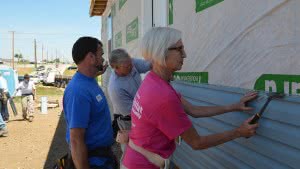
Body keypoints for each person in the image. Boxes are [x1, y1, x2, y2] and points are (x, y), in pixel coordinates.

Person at [122, 27, 259, 169]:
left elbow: (194, 110)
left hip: (137, 159)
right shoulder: (162, 96)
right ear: (161, 52)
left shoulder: (153, 81)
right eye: (179, 49)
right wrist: (239, 132)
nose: (184, 54)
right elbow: (197, 142)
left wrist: (234, 106)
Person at [63, 36, 116, 169]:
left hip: (102, 158)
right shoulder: (78, 91)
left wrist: (97, 72)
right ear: (91, 57)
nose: (103, 59)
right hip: (93, 162)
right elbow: (76, 140)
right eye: (101, 54)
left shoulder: (88, 80)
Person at [108, 49, 151, 155]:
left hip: (142, 111)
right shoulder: (115, 88)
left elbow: (149, 65)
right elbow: (135, 112)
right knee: (131, 152)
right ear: (116, 68)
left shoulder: (130, 63)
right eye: (127, 66)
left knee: (146, 149)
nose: (131, 67)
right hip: (128, 121)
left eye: (130, 62)